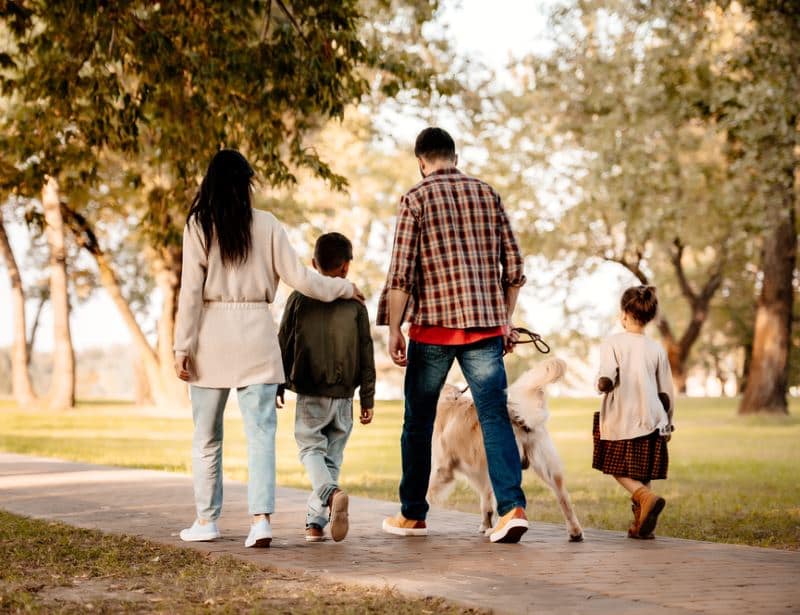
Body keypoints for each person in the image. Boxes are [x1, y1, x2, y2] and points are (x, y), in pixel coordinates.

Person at [173, 149, 363, 548]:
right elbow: (303, 279)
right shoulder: (268, 225)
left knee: (206, 437)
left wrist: (181, 346)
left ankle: (207, 520)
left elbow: (190, 291)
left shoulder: (198, 225)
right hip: (257, 336)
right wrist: (346, 288)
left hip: (211, 337)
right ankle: (261, 522)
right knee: (260, 436)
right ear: (246, 184)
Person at [376, 127, 529, 544]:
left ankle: (412, 513)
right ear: (455, 157)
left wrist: (394, 330)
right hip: (484, 328)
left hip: (433, 330)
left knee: (419, 422)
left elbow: (401, 275)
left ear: (420, 161)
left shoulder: (415, 198)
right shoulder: (488, 194)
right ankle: (512, 507)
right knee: (494, 416)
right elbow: (514, 269)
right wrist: (505, 319)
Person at [277, 232, 376, 543]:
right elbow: (366, 352)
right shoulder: (356, 306)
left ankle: (331, 496)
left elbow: (283, 342)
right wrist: (368, 397)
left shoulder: (298, 298)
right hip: (345, 395)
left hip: (310, 390)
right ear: (346, 267)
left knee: (310, 449)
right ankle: (315, 523)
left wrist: (278, 383)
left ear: (312, 264)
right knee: (331, 458)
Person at [593, 285, 675, 539]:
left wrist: (602, 382)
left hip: (622, 416)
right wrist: (668, 423)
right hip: (653, 418)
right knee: (643, 472)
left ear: (624, 313)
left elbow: (607, 374)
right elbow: (666, 391)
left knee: (616, 466)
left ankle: (645, 497)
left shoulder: (613, 342)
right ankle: (641, 526)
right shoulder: (656, 348)